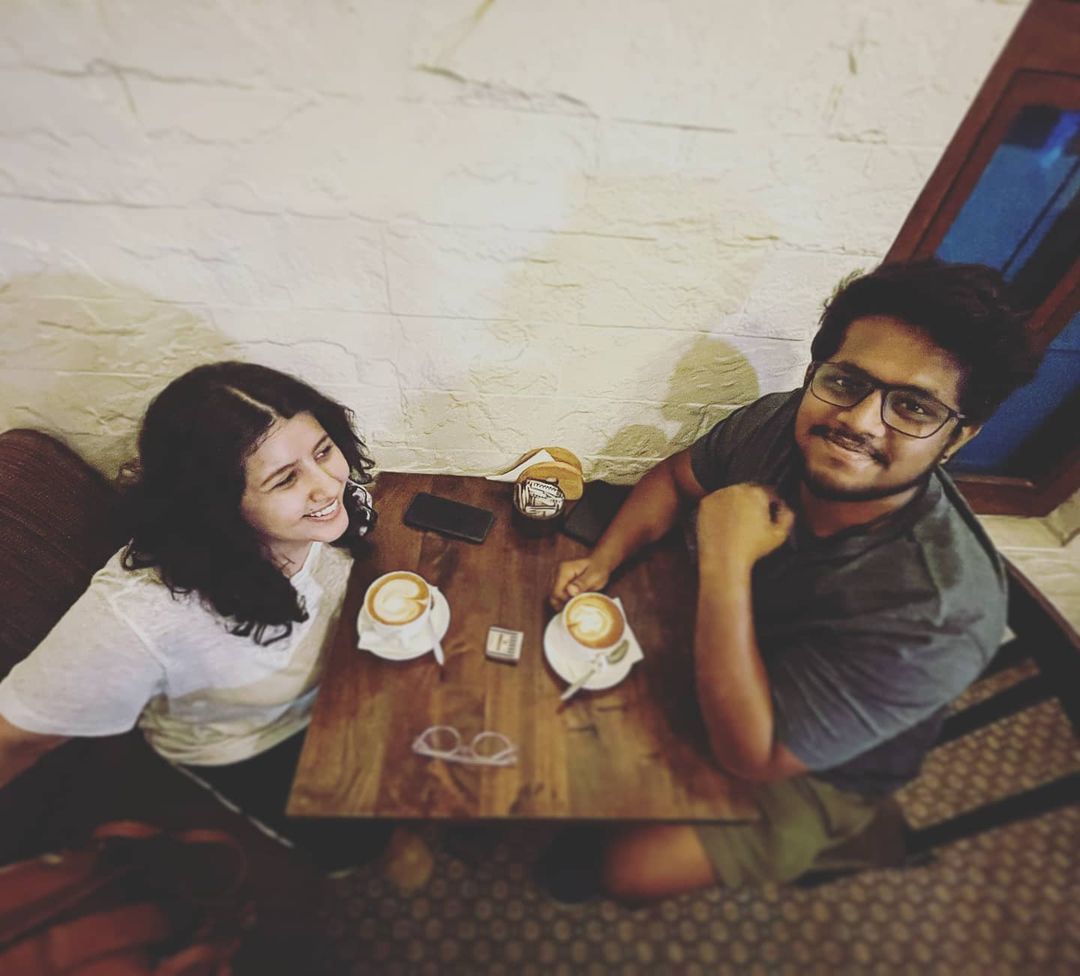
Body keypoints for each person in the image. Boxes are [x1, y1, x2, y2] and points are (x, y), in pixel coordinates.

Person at [549, 259, 1041, 901]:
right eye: (846, 382)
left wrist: (726, 559)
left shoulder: (941, 613)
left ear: (955, 439)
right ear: (817, 373)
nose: (860, 421)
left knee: (626, 870)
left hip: (814, 765)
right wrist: (604, 559)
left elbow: (754, 754)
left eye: (913, 407)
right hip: (722, 631)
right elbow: (676, 479)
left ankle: (847, 835)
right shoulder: (782, 424)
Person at [0, 361, 389, 872]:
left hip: (342, 680)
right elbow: (15, 735)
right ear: (218, 503)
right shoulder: (142, 612)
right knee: (357, 843)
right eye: (285, 479)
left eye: (322, 451)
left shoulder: (335, 507)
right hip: (257, 745)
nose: (327, 486)